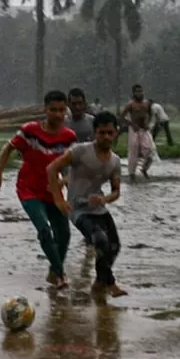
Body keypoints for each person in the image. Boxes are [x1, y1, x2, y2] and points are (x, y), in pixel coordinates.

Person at [0, 90, 77, 289]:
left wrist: (67, 187)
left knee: (64, 234)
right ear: (45, 110)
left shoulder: (69, 137)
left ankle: (54, 270)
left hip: (52, 191)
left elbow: (72, 167)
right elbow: (8, 148)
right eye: (53, 110)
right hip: (28, 189)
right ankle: (61, 275)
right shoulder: (30, 130)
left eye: (61, 110)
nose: (57, 114)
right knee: (44, 229)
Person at [47, 111, 126, 298]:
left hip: (99, 208)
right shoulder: (80, 151)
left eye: (110, 133)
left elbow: (116, 191)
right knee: (100, 240)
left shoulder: (115, 161)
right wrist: (59, 199)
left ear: (116, 133)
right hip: (79, 209)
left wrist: (105, 199)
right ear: (95, 132)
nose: (106, 137)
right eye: (101, 133)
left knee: (114, 247)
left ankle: (99, 283)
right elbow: (52, 168)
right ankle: (111, 284)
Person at [121, 84, 155, 180]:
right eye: (137, 91)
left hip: (144, 129)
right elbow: (121, 117)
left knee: (150, 150)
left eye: (141, 91)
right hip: (134, 129)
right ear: (134, 93)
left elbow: (150, 114)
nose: (139, 93)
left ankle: (144, 168)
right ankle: (132, 175)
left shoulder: (146, 103)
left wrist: (147, 123)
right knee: (133, 152)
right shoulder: (130, 104)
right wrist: (131, 124)